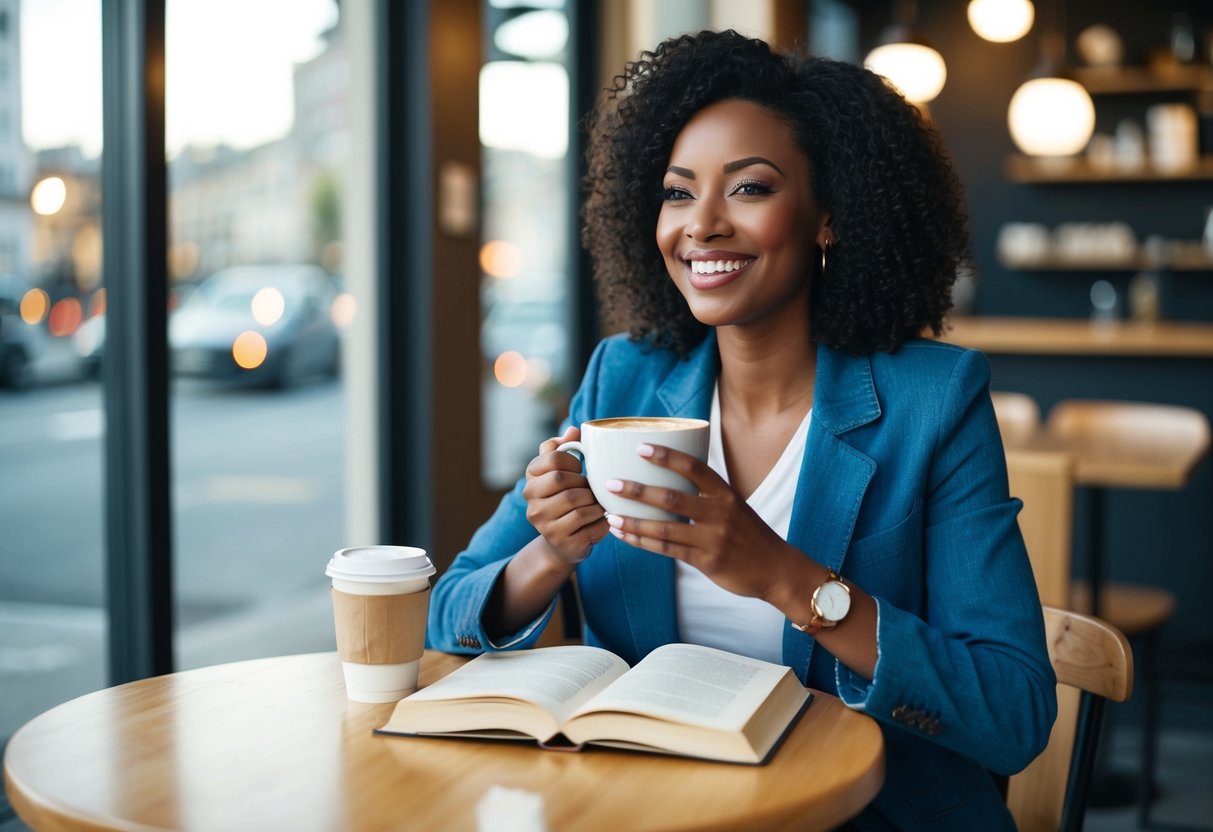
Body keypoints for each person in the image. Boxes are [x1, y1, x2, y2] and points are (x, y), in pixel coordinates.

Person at [429, 29, 1056, 830]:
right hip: (650, 811)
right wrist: (552, 550)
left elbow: (1012, 713)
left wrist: (783, 577)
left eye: (749, 189)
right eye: (677, 192)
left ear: (828, 217)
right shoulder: (621, 378)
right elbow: (447, 609)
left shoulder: (932, 402)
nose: (702, 225)